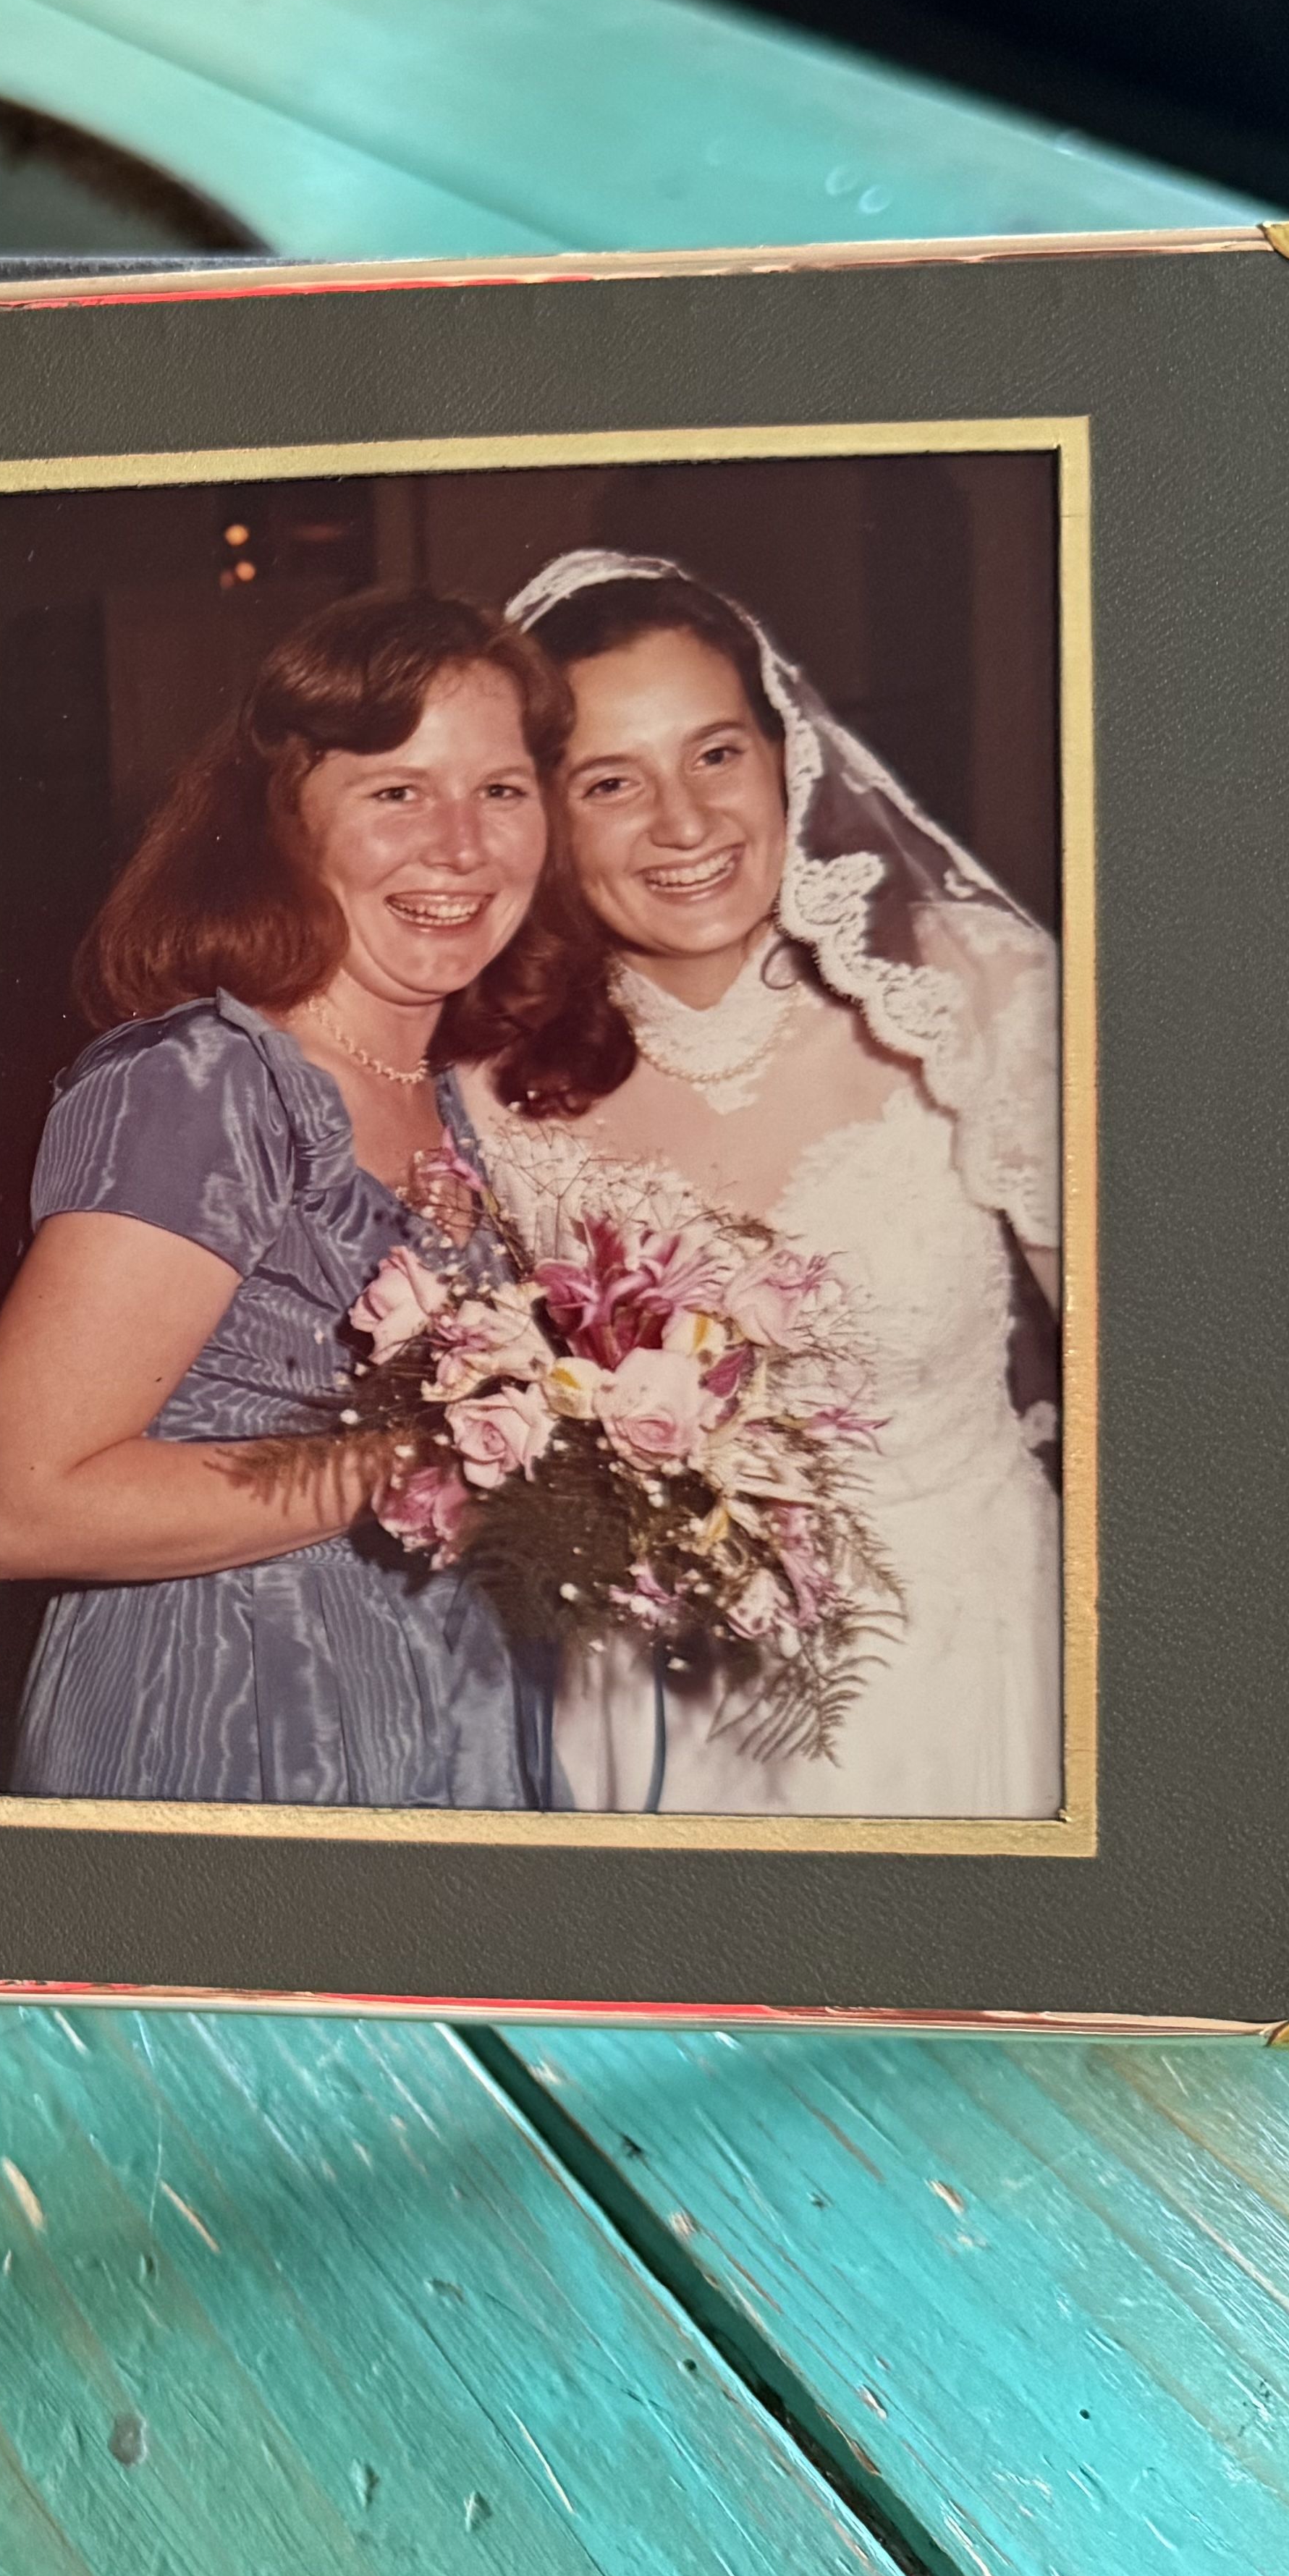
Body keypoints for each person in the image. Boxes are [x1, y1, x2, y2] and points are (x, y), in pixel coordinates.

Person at [467, 551, 1064, 1818]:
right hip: (645, 1721)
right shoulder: (479, 1083)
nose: (685, 824)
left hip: (969, 1681)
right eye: (612, 782)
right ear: (541, 818)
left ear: (788, 753)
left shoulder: (978, 991)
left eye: (717, 754)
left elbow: (1158, 1396)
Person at [0, 588, 583, 1809]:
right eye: (396, 792)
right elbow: (11, 1506)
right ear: (285, 822)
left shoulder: (465, 1101)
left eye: (501, 790)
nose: (461, 846)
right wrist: (429, 1458)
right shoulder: (204, 1085)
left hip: (457, 1721)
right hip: (236, 1716)